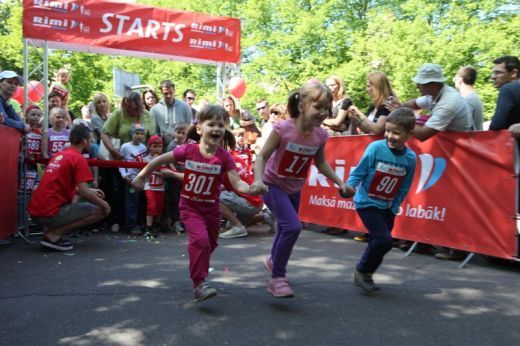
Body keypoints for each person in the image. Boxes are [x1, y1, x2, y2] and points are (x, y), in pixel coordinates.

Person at [132, 105, 262, 302]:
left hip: (211, 209)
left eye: (221, 124)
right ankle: (199, 284)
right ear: (200, 129)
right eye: (211, 124)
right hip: (190, 207)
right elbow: (157, 161)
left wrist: (251, 189)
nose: (217, 128)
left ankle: (198, 268)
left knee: (210, 244)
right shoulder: (188, 150)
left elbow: (237, 182)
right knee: (200, 242)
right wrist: (142, 176)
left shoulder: (224, 157)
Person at [250, 82, 347, 298]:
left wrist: (340, 183)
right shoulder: (282, 129)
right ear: (302, 106)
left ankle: (273, 261)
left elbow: (321, 163)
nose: (323, 113)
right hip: (272, 185)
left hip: (294, 188)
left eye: (326, 108)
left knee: (286, 228)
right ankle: (277, 278)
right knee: (293, 227)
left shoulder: (321, 135)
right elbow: (262, 156)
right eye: (318, 107)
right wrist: (258, 181)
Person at [341, 108, 416, 293]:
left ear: (409, 134)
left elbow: (404, 186)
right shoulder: (376, 148)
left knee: (380, 242)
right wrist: (349, 188)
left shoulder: (410, 158)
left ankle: (366, 274)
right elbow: (360, 171)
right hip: (366, 202)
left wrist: (394, 208)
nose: (390, 136)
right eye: (388, 130)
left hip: (386, 206)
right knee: (384, 239)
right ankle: (362, 270)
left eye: (396, 132)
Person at [28, 124, 110, 251]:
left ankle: (53, 232)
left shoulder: (59, 155)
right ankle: (54, 234)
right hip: (49, 213)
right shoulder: (78, 158)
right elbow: (84, 192)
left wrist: (91, 191)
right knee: (101, 210)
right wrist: (105, 205)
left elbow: (60, 185)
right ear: (84, 141)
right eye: (90, 139)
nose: (91, 142)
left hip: (36, 212)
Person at [388, 63, 472, 141]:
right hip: (450, 143)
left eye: (420, 83)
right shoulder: (435, 94)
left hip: (458, 147)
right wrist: (400, 106)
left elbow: (422, 135)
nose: (417, 87)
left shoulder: (448, 103)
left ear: (433, 84)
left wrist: (399, 115)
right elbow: (414, 103)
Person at [219, 128, 272, 239]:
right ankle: (266, 217)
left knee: (214, 197)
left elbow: (230, 184)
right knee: (229, 225)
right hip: (255, 200)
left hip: (250, 200)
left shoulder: (225, 160)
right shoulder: (235, 156)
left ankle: (238, 227)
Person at [143, 135, 176, 238]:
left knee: (159, 207)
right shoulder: (145, 159)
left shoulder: (164, 158)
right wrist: (155, 160)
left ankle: (155, 225)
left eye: (159, 146)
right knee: (151, 206)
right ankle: (148, 228)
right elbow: (146, 170)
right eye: (155, 146)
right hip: (150, 186)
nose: (157, 149)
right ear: (149, 146)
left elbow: (170, 171)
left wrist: (167, 166)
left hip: (160, 187)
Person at [119, 123, 148, 235]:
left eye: (141, 133)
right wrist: (124, 175)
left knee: (141, 202)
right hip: (130, 179)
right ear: (132, 134)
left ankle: (140, 223)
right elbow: (121, 162)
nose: (139, 136)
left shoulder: (144, 147)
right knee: (131, 203)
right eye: (137, 133)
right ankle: (131, 226)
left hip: (141, 178)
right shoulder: (125, 147)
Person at [150, 80, 192, 147]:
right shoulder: (154, 110)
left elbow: (189, 128)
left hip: (182, 147)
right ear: (161, 92)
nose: (169, 95)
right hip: (163, 148)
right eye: (166, 93)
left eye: (171, 92)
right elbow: (154, 132)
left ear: (174, 91)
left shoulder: (185, 107)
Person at [165, 123, 189, 233]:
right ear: (175, 133)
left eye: (183, 133)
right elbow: (169, 161)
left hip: (185, 176)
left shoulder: (187, 145)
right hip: (174, 177)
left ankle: (184, 220)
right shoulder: (172, 145)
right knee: (174, 199)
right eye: (178, 132)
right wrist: (174, 172)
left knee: (184, 199)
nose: (180, 135)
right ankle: (176, 221)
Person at [489, 56, 519, 131]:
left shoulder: (508, 89)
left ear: (513, 73)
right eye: (493, 73)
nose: (493, 77)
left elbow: (496, 126)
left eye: (498, 73)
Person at [453, 66, 484, 130]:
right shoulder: (475, 97)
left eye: (455, 79)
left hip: (469, 138)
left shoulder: (466, 100)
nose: (454, 82)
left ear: (459, 80)